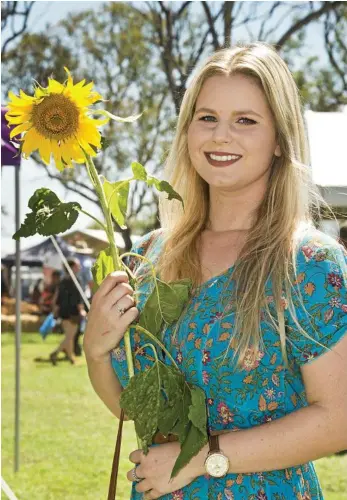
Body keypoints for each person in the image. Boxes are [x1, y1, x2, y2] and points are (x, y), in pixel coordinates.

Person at [83, 42, 347, 500]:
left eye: (245, 121)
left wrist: (205, 457)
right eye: (207, 118)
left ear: (280, 139)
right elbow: (135, 412)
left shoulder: (309, 263)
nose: (220, 136)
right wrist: (95, 350)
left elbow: (339, 418)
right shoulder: (150, 256)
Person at [50, 258, 86, 365]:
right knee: (70, 336)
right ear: (71, 267)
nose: (79, 267)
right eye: (77, 266)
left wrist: (55, 310)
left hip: (63, 312)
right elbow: (77, 298)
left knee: (70, 336)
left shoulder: (62, 280)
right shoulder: (76, 280)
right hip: (73, 313)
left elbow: (57, 298)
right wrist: (81, 310)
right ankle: (55, 353)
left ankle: (71, 358)